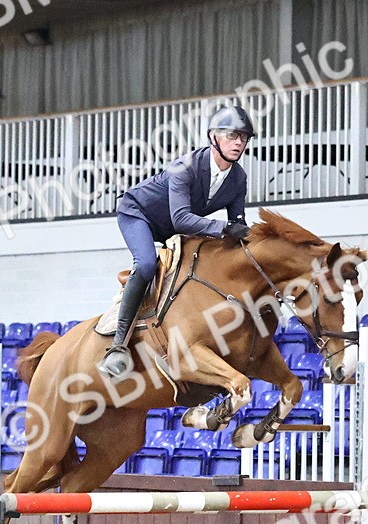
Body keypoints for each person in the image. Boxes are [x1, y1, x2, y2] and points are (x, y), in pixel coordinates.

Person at [98, 105, 255, 378]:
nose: (238, 142)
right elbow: (182, 218)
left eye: (244, 137)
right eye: (232, 135)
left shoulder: (238, 178)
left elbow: (237, 225)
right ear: (213, 137)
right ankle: (118, 346)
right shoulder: (187, 166)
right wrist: (224, 228)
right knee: (147, 264)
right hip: (140, 215)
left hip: (176, 225)